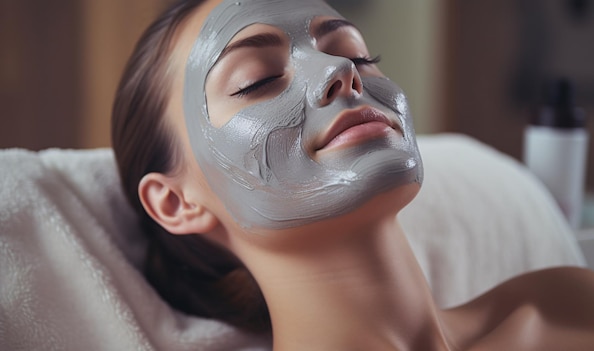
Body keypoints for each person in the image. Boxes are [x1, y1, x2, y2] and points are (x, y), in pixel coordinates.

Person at [111, 0, 594, 349]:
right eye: (255, 80)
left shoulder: (566, 298)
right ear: (176, 203)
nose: (341, 70)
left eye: (357, 54)